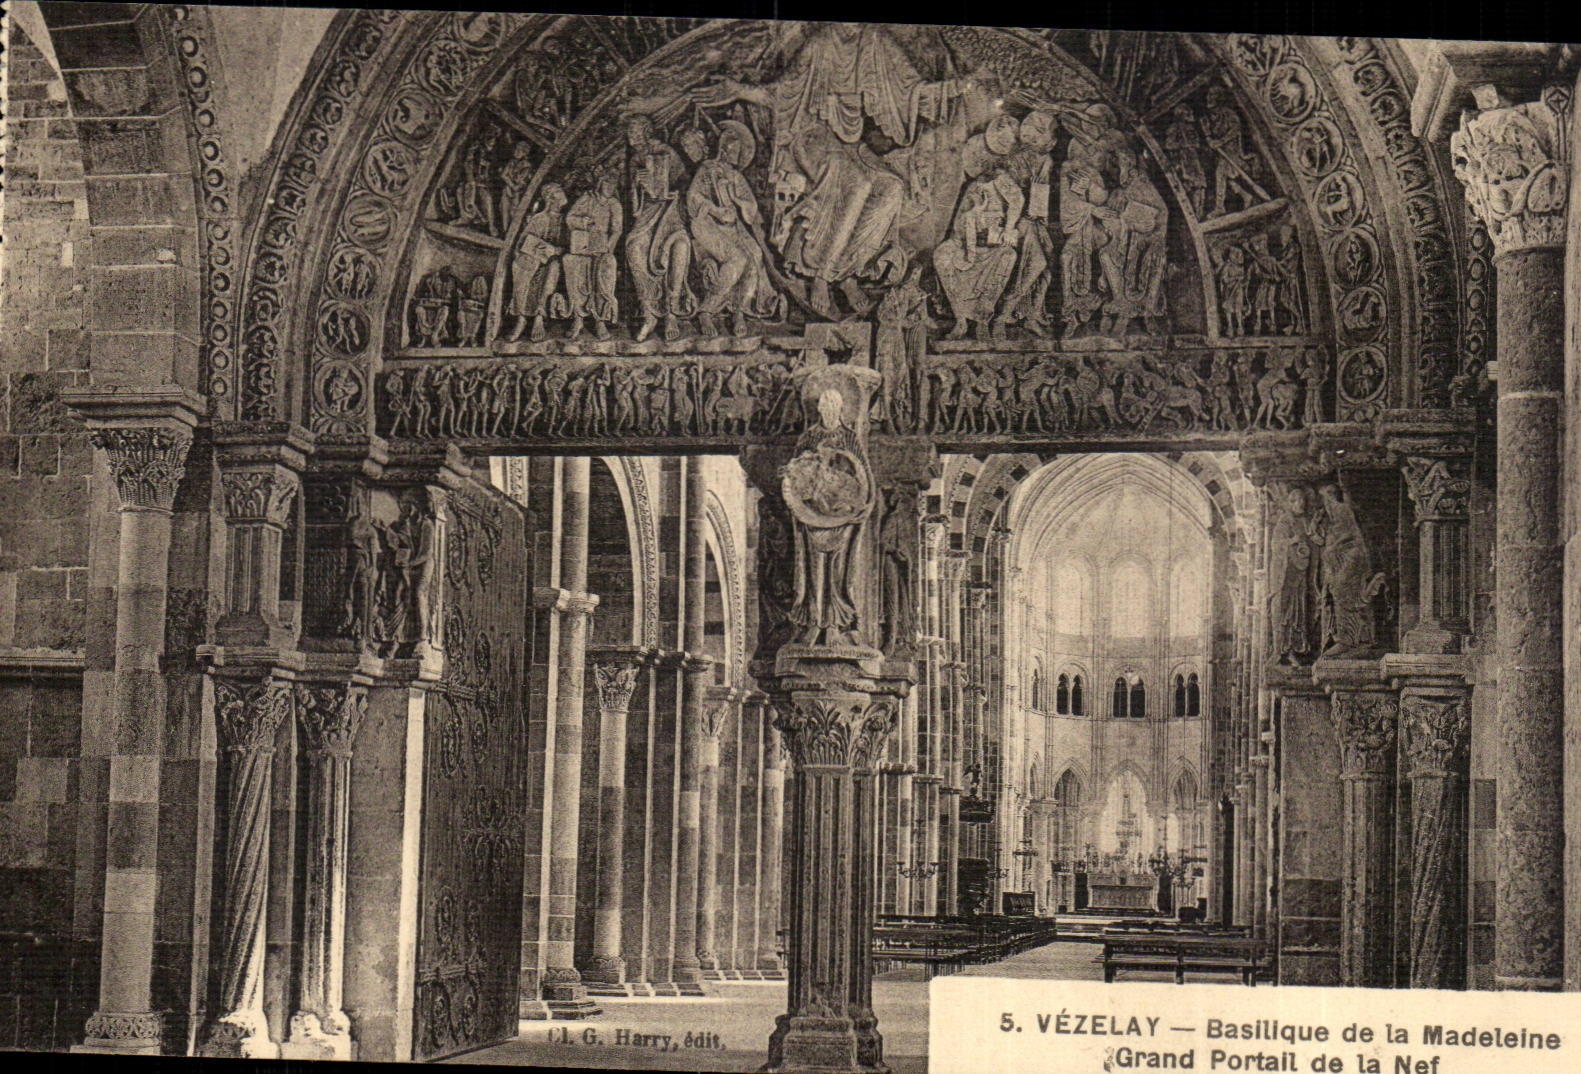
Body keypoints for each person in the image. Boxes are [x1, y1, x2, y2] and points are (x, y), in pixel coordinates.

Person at [684, 122, 784, 336]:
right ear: (723, 149)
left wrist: (737, 200)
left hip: (733, 227)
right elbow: (693, 198)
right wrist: (715, 210)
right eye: (734, 151)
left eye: (740, 152)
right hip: (707, 225)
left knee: (755, 255)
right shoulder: (707, 169)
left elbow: (750, 207)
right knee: (737, 259)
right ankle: (707, 310)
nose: (737, 157)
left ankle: (739, 310)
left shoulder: (737, 176)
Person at [624, 115, 695, 342]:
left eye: (634, 132)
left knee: (680, 246)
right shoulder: (635, 160)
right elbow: (635, 209)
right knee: (634, 247)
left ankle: (672, 312)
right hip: (647, 215)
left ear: (646, 132)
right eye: (629, 133)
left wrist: (674, 193)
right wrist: (636, 184)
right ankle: (648, 313)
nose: (630, 137)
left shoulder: (666, 153)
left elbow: (685, 183)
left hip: (671, 214)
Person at [502, 183, 568, 343]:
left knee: (553, 268)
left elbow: (570, 245)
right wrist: (543, 251)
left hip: (555, 262)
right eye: (559, 191)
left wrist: (557, 251)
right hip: (533, 261)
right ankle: (521, 319)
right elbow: (522, 244)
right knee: (521, 267)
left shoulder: (567, 220)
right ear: (550, 199)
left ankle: (539, 316)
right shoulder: (540, 219)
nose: (563, 193)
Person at [563, 173, 623, 341]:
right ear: (599, 184)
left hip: (602, 247)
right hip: (583, 244)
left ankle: (600, 319)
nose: (610, 188)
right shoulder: (587, 198)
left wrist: (607, 248)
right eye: (607, 184)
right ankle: (578, 316)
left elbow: (617, 230)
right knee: (570, 261)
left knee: (608, 264)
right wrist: (584, 222)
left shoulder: (614, 205)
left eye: (613, 185)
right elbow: (569, 218)